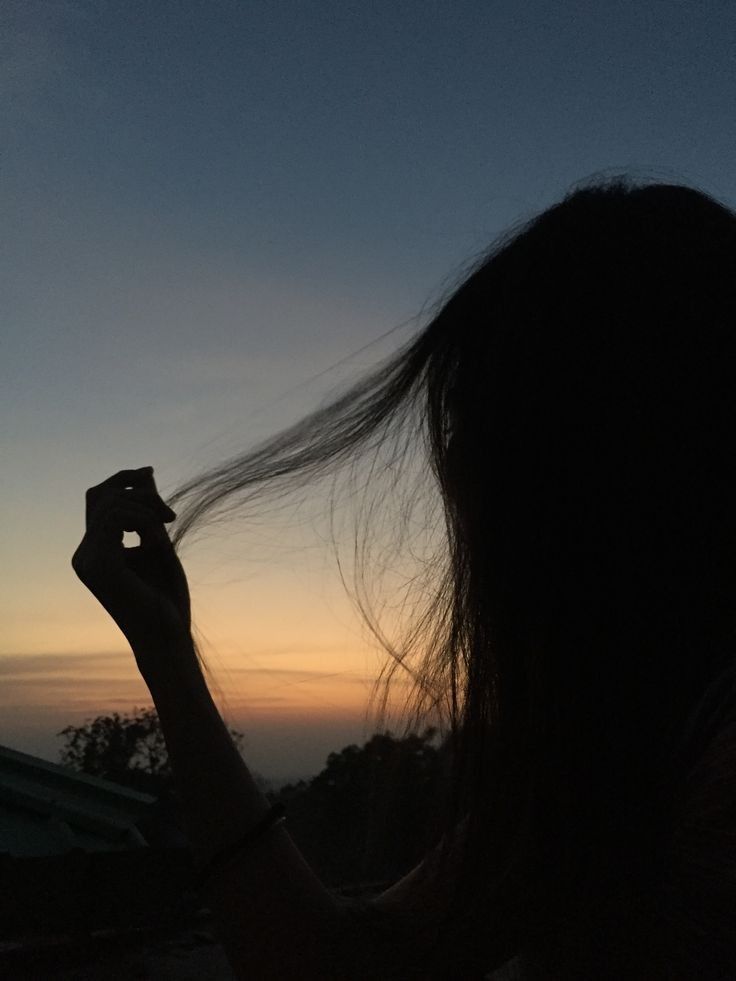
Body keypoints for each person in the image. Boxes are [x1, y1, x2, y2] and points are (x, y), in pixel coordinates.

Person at [72, 174, 736, 980]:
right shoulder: (629, 740)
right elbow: (332, 961)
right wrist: (166, 648)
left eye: (465, 424)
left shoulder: (696, 772)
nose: (449, 470)